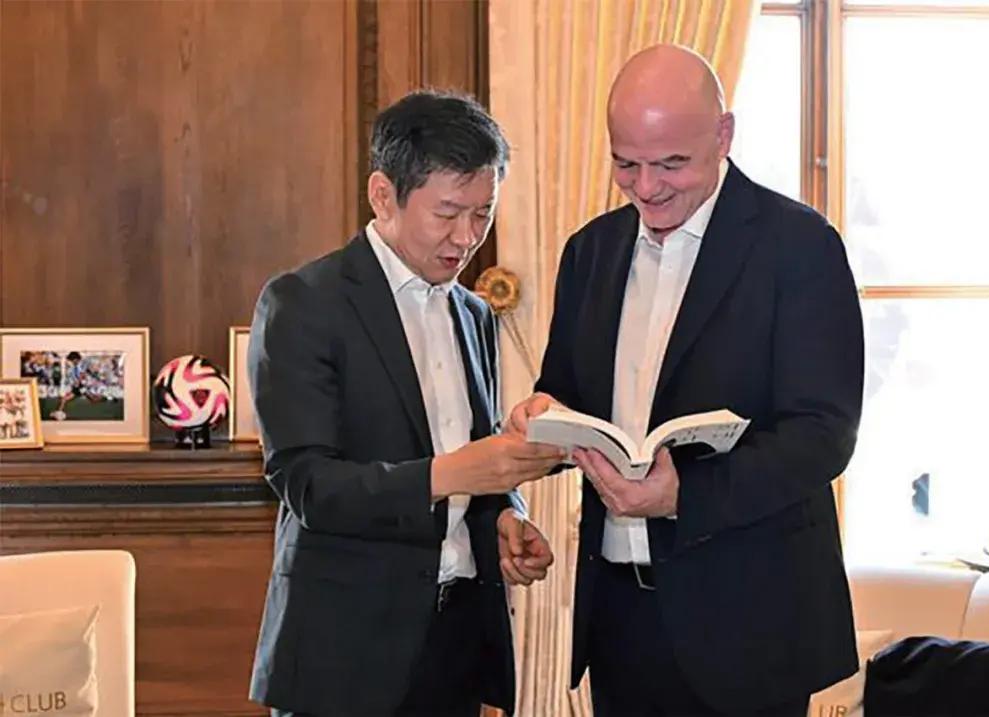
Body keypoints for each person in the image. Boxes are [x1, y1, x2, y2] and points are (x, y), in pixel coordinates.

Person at [508, 45, 865, 716]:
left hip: (749, 621)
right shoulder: (590, 251)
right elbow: (567, 391)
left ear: (723, 135)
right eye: (625, 163)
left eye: (671, 163)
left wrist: (684, 495)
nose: (646, 187)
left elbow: (824, 435)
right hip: (617, 612)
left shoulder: (800, 246)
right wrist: (543, 416)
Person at [248, 90, 564, 717]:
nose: (466, 238)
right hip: (345, 651)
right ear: (383, 195)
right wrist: (453, 474)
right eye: (447, 213)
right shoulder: (304, 303)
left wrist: (502, 514)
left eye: (483, 214)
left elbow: (469, 453)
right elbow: (308, 485)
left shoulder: (473, 313)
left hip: (456, 640)